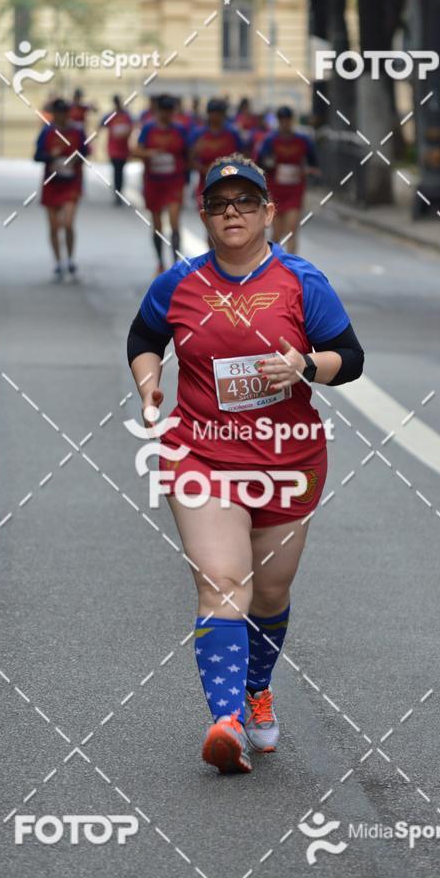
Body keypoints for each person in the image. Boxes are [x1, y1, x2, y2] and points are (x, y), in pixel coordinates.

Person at [127, 153, 364, 774]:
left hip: (287, 459)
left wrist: (305, 366)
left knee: (271, 589)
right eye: (218, 204)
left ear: (269, 211)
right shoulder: (178, 282)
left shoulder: (300, 280)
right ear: (202, 213)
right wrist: (149, 383)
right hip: (199, 451)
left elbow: (350, 355)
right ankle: (226, 720)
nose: (232, 213)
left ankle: (257, 689)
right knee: (223, 582)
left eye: (246, 202)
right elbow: (143, 336)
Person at [133, 93, 188, 274]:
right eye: (163, 110)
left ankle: (175, 263)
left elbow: (188, 153)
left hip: (174, 181)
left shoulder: (180, 129)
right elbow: (136, 150)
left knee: (174, 222)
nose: (166, 114)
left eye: (169, 110)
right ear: (158, 111)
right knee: (157, 225)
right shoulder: (148, 128)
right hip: (153, 182)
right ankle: (159, 262)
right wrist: (150, 154)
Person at [34, 97, 88, 282]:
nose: (62, 117)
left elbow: (86, 152)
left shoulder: (77, 131)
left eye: (64, 113)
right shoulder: (47, 132)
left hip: (71, 183)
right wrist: (51, 156)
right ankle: (58, 262)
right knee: (54, 226)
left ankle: (71, 258)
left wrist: (75, 158)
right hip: (52, 183)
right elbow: (37, 156)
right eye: (58, 113)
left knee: (68, 223)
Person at [256, 106, 320, 254]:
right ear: (279, 121)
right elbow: (259, 163)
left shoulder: (303, 141)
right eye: (282, 120)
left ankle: (292, 268)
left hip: (295, 190)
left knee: (292, 229)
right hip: (275, 189)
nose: (285, 124)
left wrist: (308, 170)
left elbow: (314, 164)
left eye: (288, 120)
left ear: (292, 121)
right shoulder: (270, 141)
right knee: (277, 233)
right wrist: (269, 164)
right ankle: (274, 266)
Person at [189, 98, 243, 209]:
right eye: (213, 113)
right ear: (208, 114)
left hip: (229, 183)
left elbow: (243, 156)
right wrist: (203, 168)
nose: (216, 117)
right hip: (206, 183)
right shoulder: (198, 134)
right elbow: (189, 159)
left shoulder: (232, 133)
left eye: (219, 113)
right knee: (209, 217)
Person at [101, 95, 134, 204]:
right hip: (113, 149)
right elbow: (102, 124)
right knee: (117, 172)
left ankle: (119, 192)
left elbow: (132, 127)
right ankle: (117, 193)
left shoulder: (126, 116)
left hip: (123, 149)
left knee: (120, 172)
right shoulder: (111, 116)